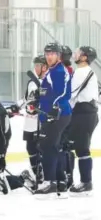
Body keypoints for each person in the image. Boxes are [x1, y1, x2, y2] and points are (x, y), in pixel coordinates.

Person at [30, 42, 72, 197]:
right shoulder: (51, 71)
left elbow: (64, 93)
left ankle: (50, 182)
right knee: (52, 147)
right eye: (47, 54)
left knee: (48, 147)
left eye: (52, 54)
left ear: (58, 55)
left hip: (57, 115)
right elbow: (48, 91)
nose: (49, 56)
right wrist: (37, 99)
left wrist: (54, 107)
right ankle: (59, 181)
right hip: (49, 114)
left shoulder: (59, 71)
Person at [10, 55, 47, 186]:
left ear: (44, 67)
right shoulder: (32, 82)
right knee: (30, 147)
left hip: (41, 120)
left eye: (38, 65)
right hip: (31, 120)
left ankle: (46, 175)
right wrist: (17, 105)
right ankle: (38, 175)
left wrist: (39, 103)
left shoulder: (48, 81)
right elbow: (27, 98)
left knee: (42, 148)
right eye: (35, 65)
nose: (35, 68)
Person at [66, 46, 99, 194]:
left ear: (85, 57)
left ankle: (86, 181)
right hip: (83, 113)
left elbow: (71, 94)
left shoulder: (82, 72)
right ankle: (73, 179)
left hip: (84, 114)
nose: (75, 54)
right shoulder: (82, 71)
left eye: (79, 53)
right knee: (74, 146)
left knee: (81, 148)